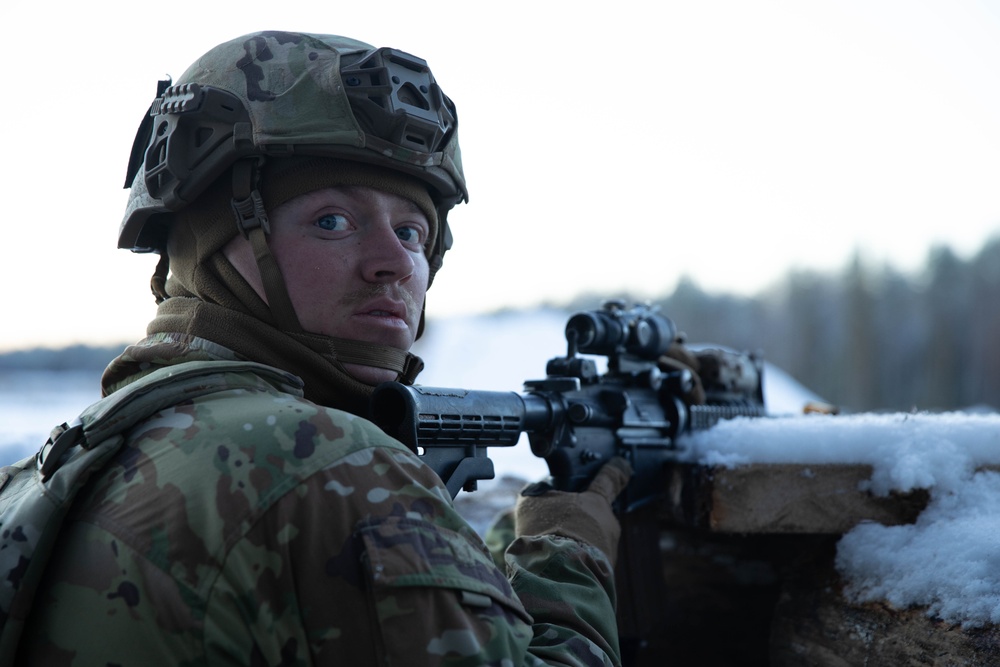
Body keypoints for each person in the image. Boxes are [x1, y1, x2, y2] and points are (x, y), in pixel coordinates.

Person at [17, 31, 630, 666]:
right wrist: (567, 549)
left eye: (412, 232)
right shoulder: (327, 463)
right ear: (212, 241)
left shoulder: (80, 454)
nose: (396, 263)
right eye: (332, 221)